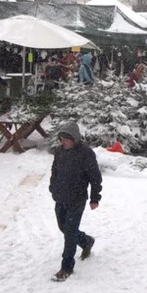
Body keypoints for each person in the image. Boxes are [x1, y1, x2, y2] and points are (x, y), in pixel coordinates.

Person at [48, 121, 102, 282]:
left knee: (70, 232)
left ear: (74, 138)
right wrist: (53, 187)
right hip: (60, 196)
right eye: (61, 139)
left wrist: (95, 198)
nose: (63, 142)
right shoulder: (60, 151)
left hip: (77, 198)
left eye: (66, 139)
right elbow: (55, 170)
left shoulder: (86, 154)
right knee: (63, 226)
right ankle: (86, 241)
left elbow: (95, 178)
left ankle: (66, 267)